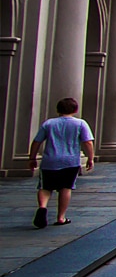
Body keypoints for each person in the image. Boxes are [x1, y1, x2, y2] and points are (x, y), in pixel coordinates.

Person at [29, 97, 94, 228]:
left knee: (45, 187)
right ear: (75, 110)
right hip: (70, 161)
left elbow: (37, 141)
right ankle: (61, 217)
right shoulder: (80, 124)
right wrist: (90, 158)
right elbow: (87, 142)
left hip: (50, 160)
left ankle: (42, 207)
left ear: (58, 109)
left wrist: (32, 157)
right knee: (66, 187)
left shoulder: (49, 124)